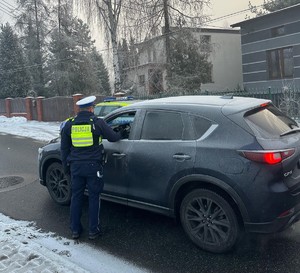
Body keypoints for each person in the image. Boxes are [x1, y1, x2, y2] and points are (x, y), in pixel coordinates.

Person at [60, 95, 121, 240]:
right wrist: (120, 133)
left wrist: (66, 168)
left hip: (76, 168)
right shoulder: (97, 123)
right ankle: (93, 231)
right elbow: (113, 137)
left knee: (76, 198)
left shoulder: (69, 124)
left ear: (79, 109)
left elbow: (64, 149)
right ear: (91, 108)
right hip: (93, 167)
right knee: (94, 198)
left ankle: (75, 230)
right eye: (93, 107)